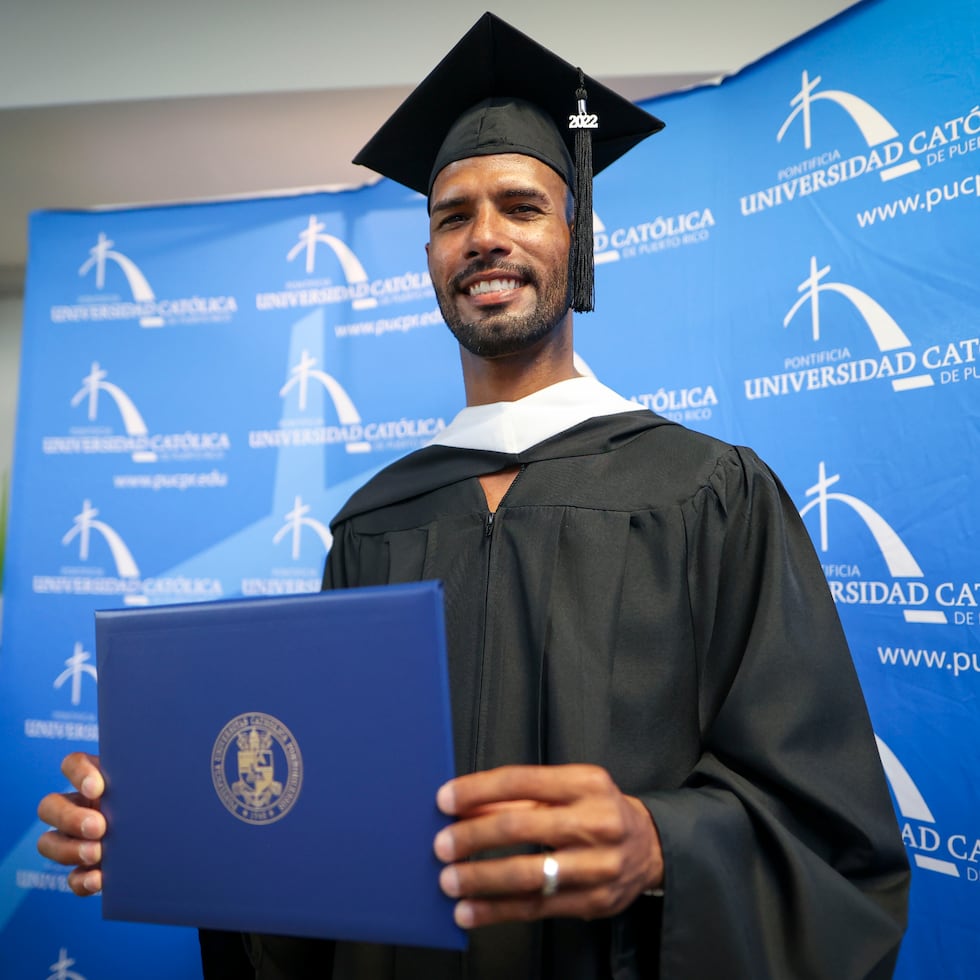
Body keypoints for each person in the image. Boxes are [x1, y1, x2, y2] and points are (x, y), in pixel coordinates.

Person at [38, 12, 910, 979]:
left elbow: (830, 831)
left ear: (577, 240)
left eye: (522, 206)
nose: (484, 236)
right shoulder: (375, 525)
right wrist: (178, 830)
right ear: (428, 261)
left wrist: (662, 845)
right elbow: (318, 813)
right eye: (453, 216)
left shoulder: (709, 493)